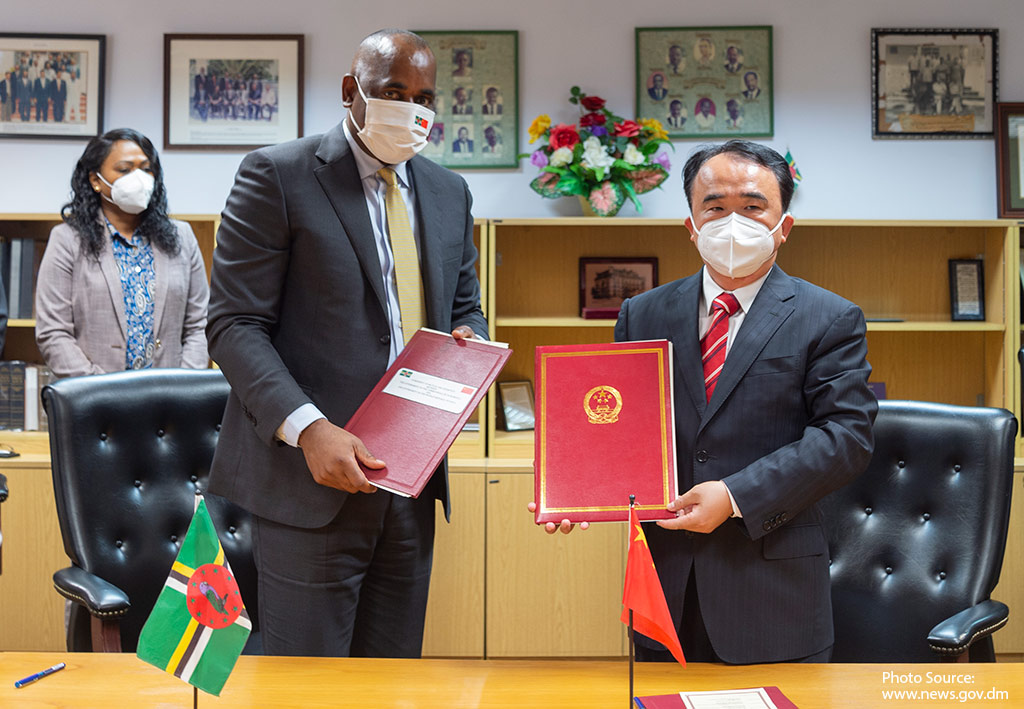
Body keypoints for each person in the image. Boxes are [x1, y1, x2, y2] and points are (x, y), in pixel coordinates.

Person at [533, 140, 876, 665]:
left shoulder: (829, 318)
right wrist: (576, 491)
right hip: (663, 589)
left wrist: (736, 495)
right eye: (714, 207)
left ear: (784, 226)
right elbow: (620, 430)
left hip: (772, 590)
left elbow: (844, 440)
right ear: (691, 226)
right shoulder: (641, 314)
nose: (732, 221)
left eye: (753, 206)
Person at [205, 28, 487, 659]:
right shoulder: (277, 175)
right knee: (306, 687)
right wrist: (308, 429)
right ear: (350, 91)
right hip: (312, 482)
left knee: (392, 680)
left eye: (424, 97)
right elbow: (232, 325)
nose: (411, 108)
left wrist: (473, 344)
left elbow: (465, 309)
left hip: (411, 482)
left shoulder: (448, 192)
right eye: (392, 91)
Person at [35, 128, 210, 379]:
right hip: (91, 402)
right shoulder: (67, 240)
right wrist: (100, 390)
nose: (139, 178)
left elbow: (199, 324)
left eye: (146, 169)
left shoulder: (182, 237)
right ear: (96, 180)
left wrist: (182, 384)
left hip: (169, 403)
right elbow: (53, 332)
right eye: (125, 169)